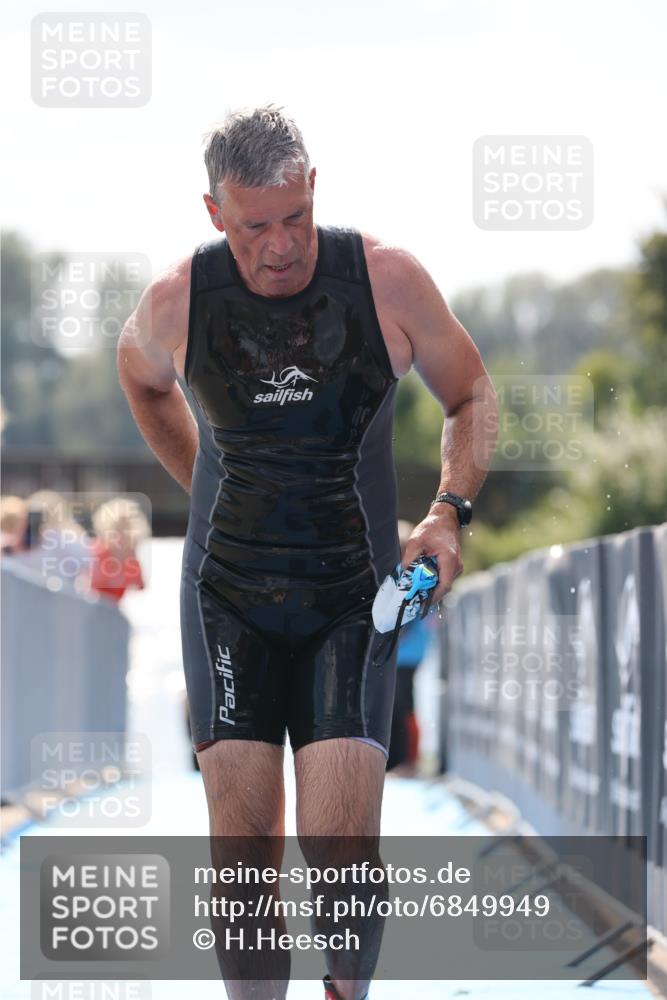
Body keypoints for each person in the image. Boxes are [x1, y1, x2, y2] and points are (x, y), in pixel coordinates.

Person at [118, 104, 498, 1000]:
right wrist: (203, 479)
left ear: (314, 189)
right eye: (257, 226)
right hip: (226, 598)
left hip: (348, 596)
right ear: (215, 212)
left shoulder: (386, 280)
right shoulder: (178, 300)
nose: (281, 245)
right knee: (243, 860)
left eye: (295, 217)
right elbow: (138, 378)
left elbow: (470, 391)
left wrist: (446, 515)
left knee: (340, 855)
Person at [386, 520, 433, 777]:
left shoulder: (413, 572)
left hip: (407, 654)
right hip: (402, 653)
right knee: (397, 706)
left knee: (404, 706)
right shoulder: (401, 572)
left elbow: (407, 617)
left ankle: (410, 761)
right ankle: (400, 760)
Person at [88, 496, 148, 602]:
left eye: (127, 530)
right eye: (117, 530)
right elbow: (90, 589)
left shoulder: (132, 560)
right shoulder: (98, 554)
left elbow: (140, 590)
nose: (121, 536)